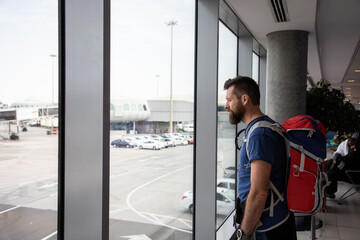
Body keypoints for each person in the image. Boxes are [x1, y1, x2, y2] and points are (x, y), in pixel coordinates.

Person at [224, 76, 297, 240]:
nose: (226, 105)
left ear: (244, 99)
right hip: (274, 221)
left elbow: (258, 193)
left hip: (269, 228)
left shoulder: (259, 134)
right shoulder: (265, 126)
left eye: (229, 100)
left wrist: (243, 233)